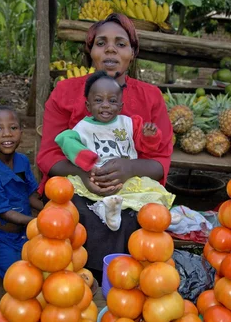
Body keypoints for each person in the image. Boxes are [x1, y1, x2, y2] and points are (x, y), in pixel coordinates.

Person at [37, 13, 173, 283]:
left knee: (137, 216)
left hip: (133, 185)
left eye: (121, 44)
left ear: (132, 53)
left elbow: (160, 161)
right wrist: (85, 175)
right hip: (77, 179)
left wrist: (129, 168)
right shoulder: (64, 92)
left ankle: (124, 283)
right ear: (91, 52)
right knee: (77, 211)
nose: (111, 49)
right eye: (102, 43)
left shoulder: (150, 97)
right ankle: (78, 282)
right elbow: (48, 156)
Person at [54, 71, 174, 231]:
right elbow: (64, 139)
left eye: (112, 101)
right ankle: (105, 209)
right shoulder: (83, 127)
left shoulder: (129, 124)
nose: (105, 105)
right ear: (88, 106)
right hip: (96, 180)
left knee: (153, 196)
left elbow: (146, 147)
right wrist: (86, 160)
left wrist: (149, 136)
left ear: (120, 106)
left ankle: (161, 217)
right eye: (98, 100)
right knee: (75, 196)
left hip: (126, 181)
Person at [0, 106, 43, 279]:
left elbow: (31, 195)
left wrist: (49, 212)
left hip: (25, 233)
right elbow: (4, 212)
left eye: (13, 128)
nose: (7, 134)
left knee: (44, 267)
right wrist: (40, 222)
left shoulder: (22, 161)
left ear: (21, 133)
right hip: (0, 237)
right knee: (18, 278)